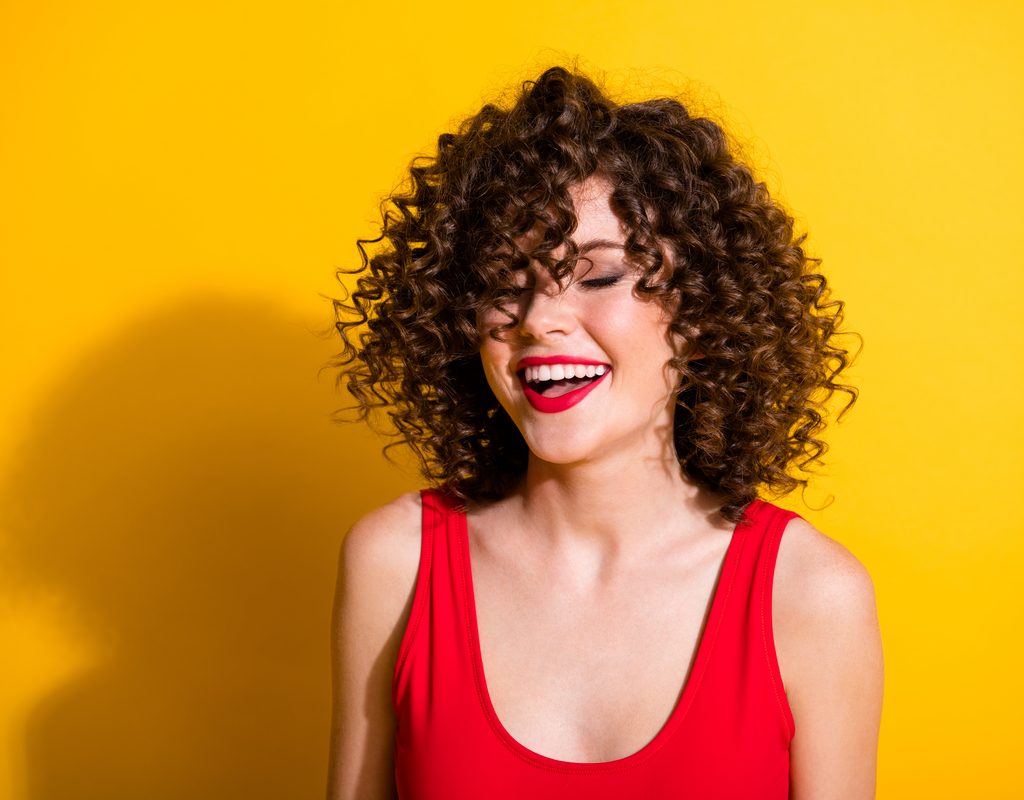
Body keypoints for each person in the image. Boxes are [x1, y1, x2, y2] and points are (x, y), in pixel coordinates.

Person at [326, 65, 883, 800]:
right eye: (504, 283)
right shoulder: (395, 563)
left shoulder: (812, 595)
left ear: (705, 311)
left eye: (597, 277)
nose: (538, 320)